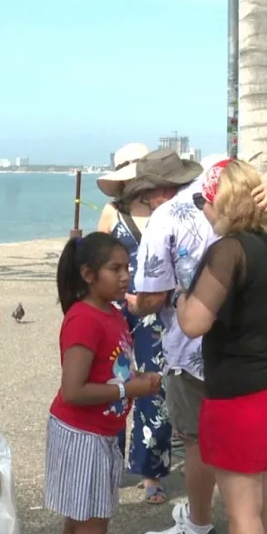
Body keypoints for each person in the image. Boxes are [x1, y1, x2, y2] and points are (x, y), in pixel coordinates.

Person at [126, 151, 267, 534]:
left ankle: (198, 523)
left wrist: (132, 301)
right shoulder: (259, 205)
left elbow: (156, 298)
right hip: (264, 358)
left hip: (197, 355)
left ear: (156, 191)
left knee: (201, 447)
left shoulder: (170, 219)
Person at [174, 159, 267, 534]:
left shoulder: (229, 251)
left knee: (243, 513)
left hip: (243, 396)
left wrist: (181, 297)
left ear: (223, 202)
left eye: (205, 199)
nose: (202, 207)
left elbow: (194, 323)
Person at [45, 232, 162, 534]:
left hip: (101, 434)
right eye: (115, 269)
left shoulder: (112, 313)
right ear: (88, 274)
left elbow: (109, 369)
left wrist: (138, 379)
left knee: (82, 518)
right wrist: (128, 389)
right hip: (83, 436)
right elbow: (72, 390)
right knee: (92, 523)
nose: (126, 276)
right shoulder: (85, 319)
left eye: (127, 268)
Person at [97, 142, 172, 504]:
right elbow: (95, 261)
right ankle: (110, 467)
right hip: (114, 310)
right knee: (114, 386)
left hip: (156, 311)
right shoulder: (112, 213)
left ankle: (150, 473)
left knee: (155, 390)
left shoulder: (166, 210)